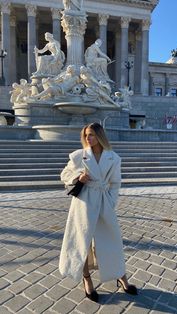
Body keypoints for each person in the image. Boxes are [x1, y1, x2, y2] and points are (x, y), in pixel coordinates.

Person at [59, 123, 137, 302]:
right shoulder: (79, 156)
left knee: (112, 240)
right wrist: (77, 177)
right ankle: (87, 280)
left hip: (104, 202)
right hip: (83, 202)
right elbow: (63, 174)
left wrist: (111, 201)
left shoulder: (113, 158)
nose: (88, 138)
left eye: (92, 135)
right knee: (82, 242)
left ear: (100, 136)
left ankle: (120, 276)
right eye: (86, 135)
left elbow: (116, 183)